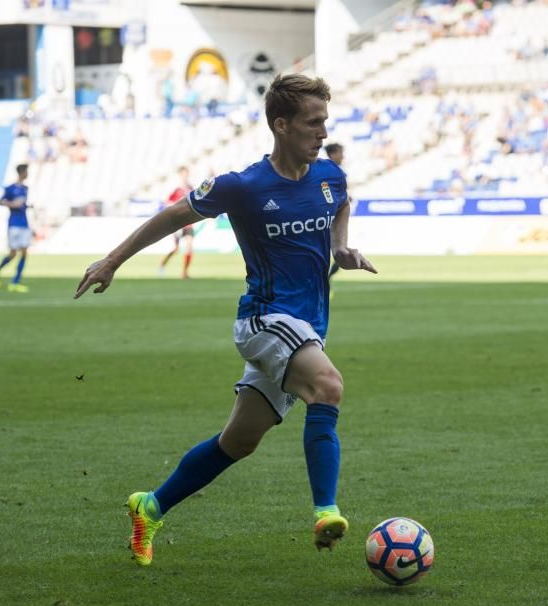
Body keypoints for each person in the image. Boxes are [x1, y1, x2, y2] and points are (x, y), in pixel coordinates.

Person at [74, 73, 378, 566]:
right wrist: (113, 260)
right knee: (328, 385)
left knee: (238, 442)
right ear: (281, 125)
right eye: (313, 122)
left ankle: (149, 506)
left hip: (308, 325)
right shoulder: (243, 187)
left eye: (325, 120)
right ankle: (326, 512)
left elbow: (342, 202)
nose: (323, 132)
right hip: (264, 320)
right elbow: (173, 216)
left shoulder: (329, 176)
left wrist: (341, 247)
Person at [0, 164, 32, 293]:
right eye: (26, 171)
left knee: (24, 252)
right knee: (12, 254)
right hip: (13, 224)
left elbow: (22, 205)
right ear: (21, 172)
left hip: (24, 224)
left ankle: (15, 282)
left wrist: (27, 206)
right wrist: (12, 204)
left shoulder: (25, 188)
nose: (28, 173)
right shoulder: (10, 188)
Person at [157, 166, 196, 279]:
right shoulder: (177, 189)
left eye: (186, 174)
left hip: (188, 222)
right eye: (183, 174)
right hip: (178, 223)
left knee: (189, 247)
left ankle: (184, 273)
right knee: (176, 249)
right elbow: (167, 203)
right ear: (180, 175)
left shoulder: (191, 188)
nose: (185, 176)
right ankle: (162, 265)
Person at [325, 143, 346, 284]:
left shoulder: (337, 171)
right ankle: (324, 279)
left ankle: (326, 279)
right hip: (327, 218)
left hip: (335, 217)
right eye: (340, 153)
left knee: (341, 254)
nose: (343, 156)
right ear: (332, 154)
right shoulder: (325, 172)